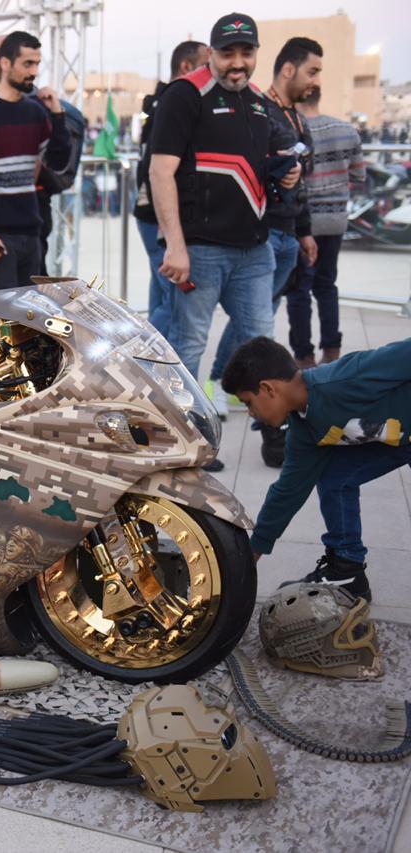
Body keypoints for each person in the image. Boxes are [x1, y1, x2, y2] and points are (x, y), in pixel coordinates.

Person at [151, 13, 302, 471]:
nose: (238, 62)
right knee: (188, 346)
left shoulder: (257, 101)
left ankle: (275, 437)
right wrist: (175, 245)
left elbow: (257, 165)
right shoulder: (184, 95)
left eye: (246, 52)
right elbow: (160, 171)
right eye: (228, 53)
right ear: (212, 52)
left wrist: (285, 173)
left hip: (255, 250)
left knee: (263, 344)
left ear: (256, 54)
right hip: (200, 250)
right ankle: (183, 443)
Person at [221, 335, 411, 603]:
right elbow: (288, 492)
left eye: (248, 402)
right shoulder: (304, 431)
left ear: (267, 389)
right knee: (336, 477)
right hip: (399, 442)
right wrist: (248, 560)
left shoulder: (346, 378)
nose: (251, 413)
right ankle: (346, 570)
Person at [206, 35, 322, 459]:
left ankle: (233, 392)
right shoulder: (259, 108)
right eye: (312, 71)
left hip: (287, 233)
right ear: (288, 69)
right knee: (252, 324)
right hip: (262, 231)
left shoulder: (295, 119)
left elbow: (300, 181)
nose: (315, 80)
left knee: (258, 321)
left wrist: (304, 231)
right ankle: (223, 386)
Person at [0, 31, 72, 334]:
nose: (34, 71)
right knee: (1, 322)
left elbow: (59, 161)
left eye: (36, 63)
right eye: (27, 64)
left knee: (29, 322)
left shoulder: (36, 112)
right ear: (6, 64)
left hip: (30, 234)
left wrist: (58, 114)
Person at [134, 40, 211, 339]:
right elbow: (157, 168)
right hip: (158, 214)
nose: (210, 72)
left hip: (152, 211)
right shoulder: (175, 101)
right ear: (186, 66)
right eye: (206, 64)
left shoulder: (161, 101)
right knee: (174, 299)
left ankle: (146, 353)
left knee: (162, 292)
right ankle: (146, 354)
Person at [287, 86, 364, 368]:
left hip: (303, 221)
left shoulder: (292, 131)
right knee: (326, 284)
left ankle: (303, 356)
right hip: (335, 220)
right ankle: (332, 350)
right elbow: (359, 174)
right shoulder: (347, 130)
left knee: (299, 290)